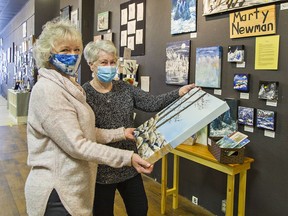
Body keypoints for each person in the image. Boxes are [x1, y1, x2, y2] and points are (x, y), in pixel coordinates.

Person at [24, 20, 153, 216]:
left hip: (75, 188)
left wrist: (121, 133)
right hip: (57, 192)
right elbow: (78, 144)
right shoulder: (48, 90)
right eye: (65, 50)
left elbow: (84, 132)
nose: (72, 55)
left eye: (76, 49)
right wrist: (127, 157)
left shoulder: (69, 87)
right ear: (47, 54)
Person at [82, 40, 195, 216]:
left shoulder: (124, 88)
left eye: (113, 62)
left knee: (140, 209)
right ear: (91, 65)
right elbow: (87, 133)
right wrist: (120, 134)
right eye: (104, 63)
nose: (110, 67)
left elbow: (152, 102)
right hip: (101, 168)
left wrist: (178, 93)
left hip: (130, 163)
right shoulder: (84, 94)